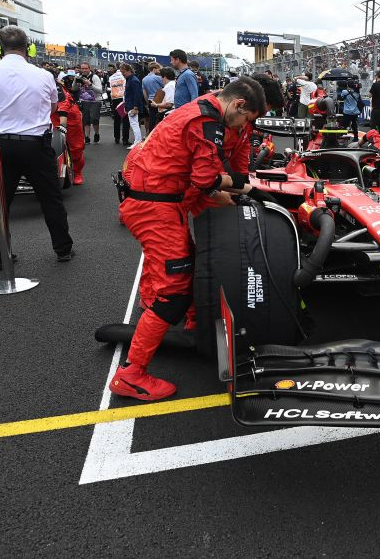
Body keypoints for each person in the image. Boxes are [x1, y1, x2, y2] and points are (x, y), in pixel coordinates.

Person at [109, 76, 265, 401]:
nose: (243, 128)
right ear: (238, 105)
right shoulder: (206, 120)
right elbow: (206, 179)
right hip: (154, 205)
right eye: (245, 120)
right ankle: (131, 375)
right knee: (174, 292)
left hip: (161, 199)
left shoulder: (206, 106)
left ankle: (189, 322)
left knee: (184, 267)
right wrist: (246, 186)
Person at [0, 26, 73, 270]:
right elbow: (53, 107)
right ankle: (63, 248)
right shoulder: (44, 75)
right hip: (36, 145)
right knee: (51, 199)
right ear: (29, 48)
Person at [53, 73, 85, 185]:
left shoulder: (57, 88)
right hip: (51, 116)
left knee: (75, 148)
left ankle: (77, 172)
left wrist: (62, 127)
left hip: (70, 117)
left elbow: (63, 107)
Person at [77, 62, 102, 144]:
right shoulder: (80, 77)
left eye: (86, 68)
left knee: (94, 119)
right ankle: (87, 137)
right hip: (84, 101)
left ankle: (96, 134)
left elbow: (100, 90)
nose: (84, 70)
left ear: (89, 68)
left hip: (95, 101)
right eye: (82, 68)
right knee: (86, 120)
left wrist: (90, 84)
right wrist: (75, 81)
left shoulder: (94, 77)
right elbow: (74, 89)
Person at [120, 63, 145, 149]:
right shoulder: (131, 79)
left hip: (132, 106)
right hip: (130, 105)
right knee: (134, 124)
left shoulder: (133, 80)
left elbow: (137, 95)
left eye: (123, 72)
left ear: (129, 71)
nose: (122, 74)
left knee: (134, 124)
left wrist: (135, 107)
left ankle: (137, 142)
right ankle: (137, 141)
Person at [107, 63, 127, 145]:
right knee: (125, 119)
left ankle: (116, 138)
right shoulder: (124, 76)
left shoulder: (111, 77)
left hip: (115, 98)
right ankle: (125, 139)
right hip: (123, 98)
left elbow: (109, 88)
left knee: (116, 119)